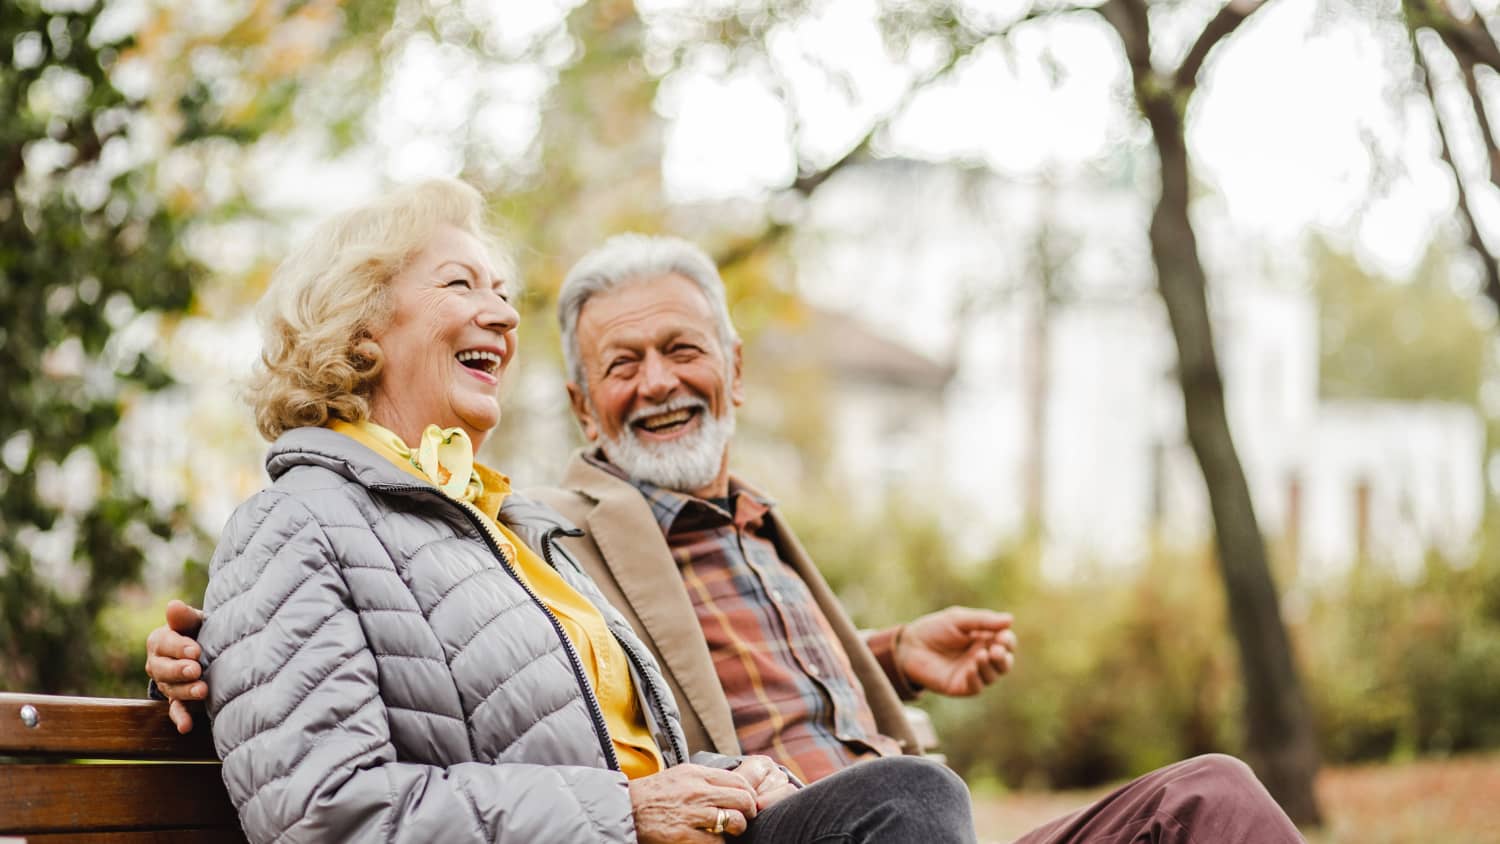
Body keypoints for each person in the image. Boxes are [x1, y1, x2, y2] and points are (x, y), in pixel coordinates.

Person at [151, 228, 1305, 842]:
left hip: (864, 827)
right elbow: (326, 757)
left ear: (738, 367)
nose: (657, 384)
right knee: (909, 800)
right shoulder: (557, 520)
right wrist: (208, 649)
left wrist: (888, 654)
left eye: (684, 351)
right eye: (621, 362)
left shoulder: (537, 527)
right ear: (581, 400)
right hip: (811, 830)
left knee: (1210, 798)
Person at [181, 179, 976, 844]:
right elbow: (324, 816)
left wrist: (732, 780)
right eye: (462, 284)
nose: (502, 313)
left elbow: (611, 759)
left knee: (940, 800)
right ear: (359, 328)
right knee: (907, 803)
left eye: (501, 290)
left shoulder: (507, 526)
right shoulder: (293, 525)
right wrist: (623, 814)